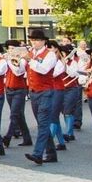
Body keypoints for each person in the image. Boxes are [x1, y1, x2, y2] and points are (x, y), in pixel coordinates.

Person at [24, 30, 61, 166]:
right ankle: (51, 153)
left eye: (37, 40)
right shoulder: (31, 53)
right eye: (32, 40)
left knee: (43, 123)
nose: (34, 42)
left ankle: (38, 154)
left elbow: (44, 69)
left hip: (46, 92)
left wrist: (30, 60)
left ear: (44, 41)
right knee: (42, 124)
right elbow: (22, 70)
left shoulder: (50, 55)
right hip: (33, 91)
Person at [1, 40, 33, 148]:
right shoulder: (6, 60)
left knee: (14, 114)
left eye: (12, 49)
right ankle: (27, 138)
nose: (10, 51)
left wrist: (9, 60)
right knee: (19, 115)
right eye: (9, 49)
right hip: (9, 89)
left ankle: (7, 137)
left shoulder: (22, 60)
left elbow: (17, 71)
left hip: (19, 89)